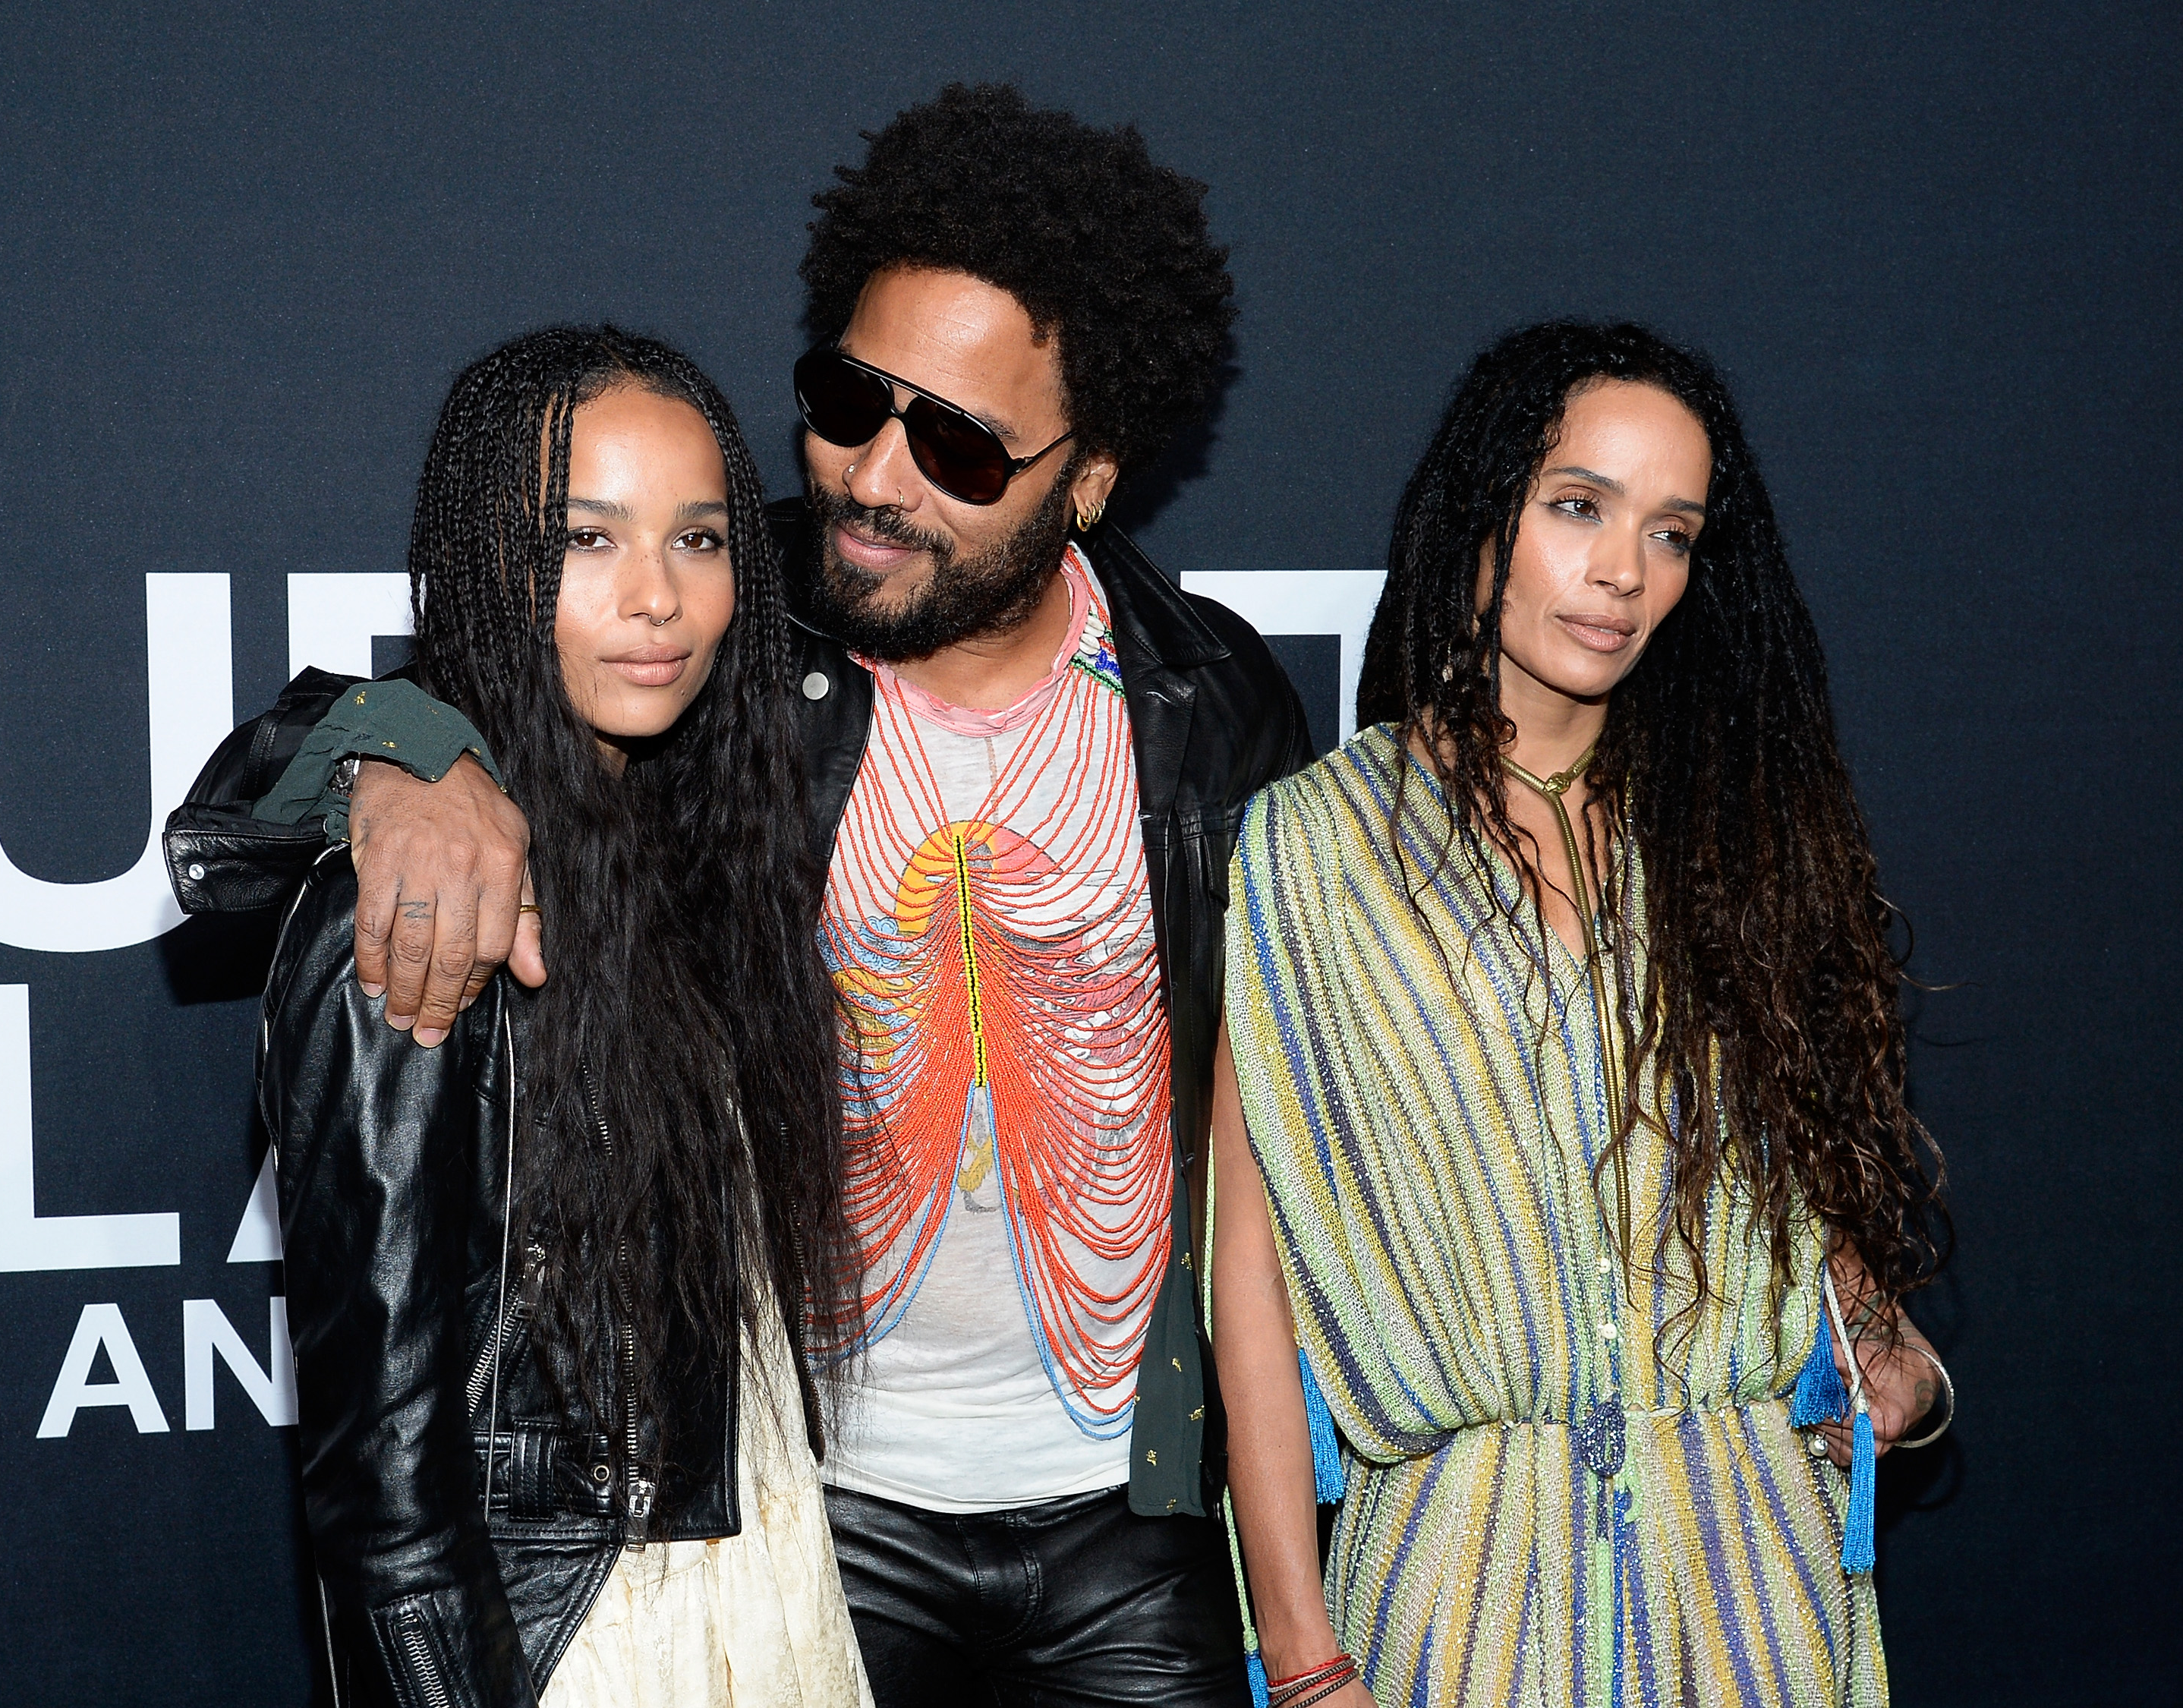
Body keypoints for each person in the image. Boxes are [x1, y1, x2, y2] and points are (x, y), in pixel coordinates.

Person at [169, 87, 1310, 1706]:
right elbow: (271, 791)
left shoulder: (1215, 703)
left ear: (1090, 480)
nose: (875, 475)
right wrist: (395, 754)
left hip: (1128, 1507)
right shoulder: (726, 622)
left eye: (962, 444)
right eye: (851, 401)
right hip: (814, 1498)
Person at [1208, 323, 1951, 1708]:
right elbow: (1251, 1291)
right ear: (1485, 509)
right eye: (1578, 507)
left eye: (1672, 534)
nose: (1623, 572)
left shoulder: (1744, 831)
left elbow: (1821, 1183)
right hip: (1455, 1591)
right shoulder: (1311, 849)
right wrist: (1302, 1660)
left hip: (1751, 1584)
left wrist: (1888, 1357)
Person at [252, 326, 871, 1706]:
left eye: (700, 539)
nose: (658, 598)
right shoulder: (429, 895)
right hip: (570, 1629)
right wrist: (383, 752)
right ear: (492, 560)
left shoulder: (703, 838)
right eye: (588, 540)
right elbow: (385, 1485)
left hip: (758, 1581)